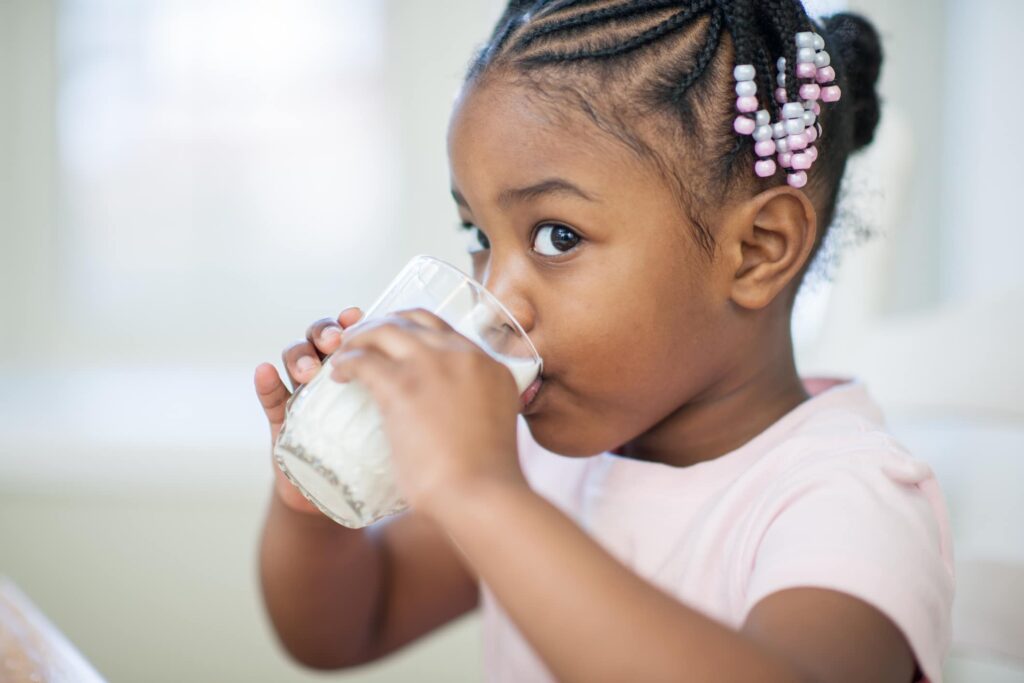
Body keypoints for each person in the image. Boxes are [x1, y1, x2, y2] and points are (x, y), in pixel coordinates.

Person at [254, 1, 954, 681]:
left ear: (756, 250)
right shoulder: (532, 460)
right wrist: (314, 503)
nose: (497, 302)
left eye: (557, 236)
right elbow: (348, 626)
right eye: (478, 237)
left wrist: (484, 491)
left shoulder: (846, 499)